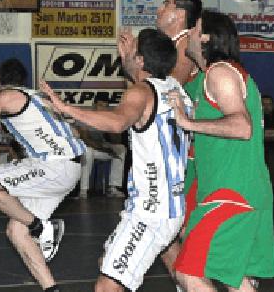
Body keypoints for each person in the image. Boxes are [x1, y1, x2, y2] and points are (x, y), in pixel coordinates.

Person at [40, 28, 191, 292]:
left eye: (133, 50)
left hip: (151, 211)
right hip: (169, 206)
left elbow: (118, 122)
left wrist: (66, 108)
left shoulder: (142, 92)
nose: (126, 51)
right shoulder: (174, 88)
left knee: (107, 286)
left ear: (142, 59)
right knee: (110, 264)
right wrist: (127, 62)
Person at [167, 11, 274, 291]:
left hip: (231, 195)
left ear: (205, 37)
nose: (188, 34)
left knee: (189, 272)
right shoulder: (216, 75)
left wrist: (188, 122)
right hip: (242, 191)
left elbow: (242, 127)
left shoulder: (220, 72)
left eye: (193, 30)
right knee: (236, 279)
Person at [0, 58, 84, 292]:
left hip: (53, 167)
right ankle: (50, 288)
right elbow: (74, 129)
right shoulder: (41, 98)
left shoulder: (2, 98)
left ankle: (42, 228)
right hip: (72, 168)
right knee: (16, 230)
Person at [120, 0, 202, 290]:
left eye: (166, 4)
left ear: (179, 15)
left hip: (187, 154)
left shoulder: (181, 52)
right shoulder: (172, 50)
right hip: (176, 150)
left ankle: (235, 279)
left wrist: (132, 66)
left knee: (182, 231)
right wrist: (131, 64)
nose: (158, 9)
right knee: (168, 235)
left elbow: (157, 96)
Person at [76, 99, 126, 199]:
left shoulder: (108, 118)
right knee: (88, 151)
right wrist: (105, 149)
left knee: (121, 149)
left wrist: (110, 125)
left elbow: (117, 140)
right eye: (100, 105)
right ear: (94, 105)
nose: (103, 108)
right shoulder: (85, 117)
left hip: (103, 148)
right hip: (89, 149)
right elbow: (86, 140)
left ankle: (113, 188)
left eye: (105, 106)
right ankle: (83, 191)